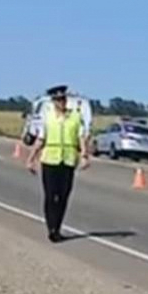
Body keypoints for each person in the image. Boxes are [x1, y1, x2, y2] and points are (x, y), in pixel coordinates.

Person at [25, 85, 90, 242]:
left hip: (67, 161)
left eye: (63, 99)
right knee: (50, 195)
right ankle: (52, 228)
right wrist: (31, 158)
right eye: (58, 100)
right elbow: (41, 139)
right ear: (53, 101)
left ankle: (58, 227)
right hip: (50, 160)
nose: (61, 102)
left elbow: (81, 137)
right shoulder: (47, 117)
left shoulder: (75, 116)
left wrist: (85, 155)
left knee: (63, 196)